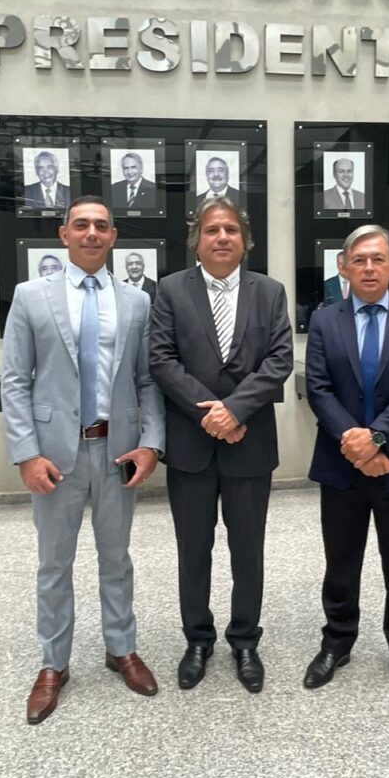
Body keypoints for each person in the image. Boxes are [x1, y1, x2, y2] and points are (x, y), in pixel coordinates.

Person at [2, 195, 165, 724]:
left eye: (101, 226)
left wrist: (151, 442)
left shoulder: (136, 302)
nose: (92, 233)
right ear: (63, 233)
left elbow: (146, 380)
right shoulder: (31, 297)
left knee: (116, 558)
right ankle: (54, 663)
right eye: (81, 225)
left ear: (113, 236)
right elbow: (14, 381)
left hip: (116, 451)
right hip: (54, 456)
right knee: (55, 563)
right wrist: (26, 454)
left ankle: (122, 649)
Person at [149, 198, 292, 694]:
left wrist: (236, 411)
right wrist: (212, 412)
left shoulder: (270, 292)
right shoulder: (170, 291)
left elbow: (279, 361)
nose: (223, 237)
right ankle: (198, 638)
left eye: (232, 229)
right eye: (212, 230)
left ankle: (245, 640)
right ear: (197, 241)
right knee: (194, 547)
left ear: (245, 240)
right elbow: (162, 360)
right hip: (191, 445)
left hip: (250, 444)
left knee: (247, 548)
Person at [303, 224, 389, 704]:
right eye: (358, 259)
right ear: (342, 267)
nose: (368, 267)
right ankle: (337, 642)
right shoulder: (324, 321)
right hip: (340, 465)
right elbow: (317, 388)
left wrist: (377, 439)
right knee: (341, 562)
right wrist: (355, 443)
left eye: (377, 259)